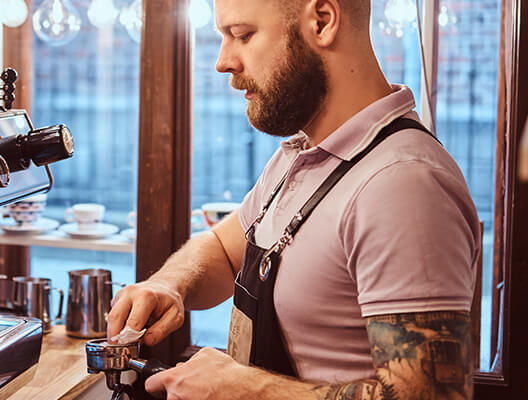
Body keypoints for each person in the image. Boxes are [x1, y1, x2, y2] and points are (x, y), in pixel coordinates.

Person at [106, 0, 481, 398]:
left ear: (322, 21)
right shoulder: (305, 154)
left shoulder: (403, 184)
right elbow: (224, 247)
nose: (223, 62)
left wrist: (247, 391)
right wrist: (170, 284)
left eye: (243, 35)